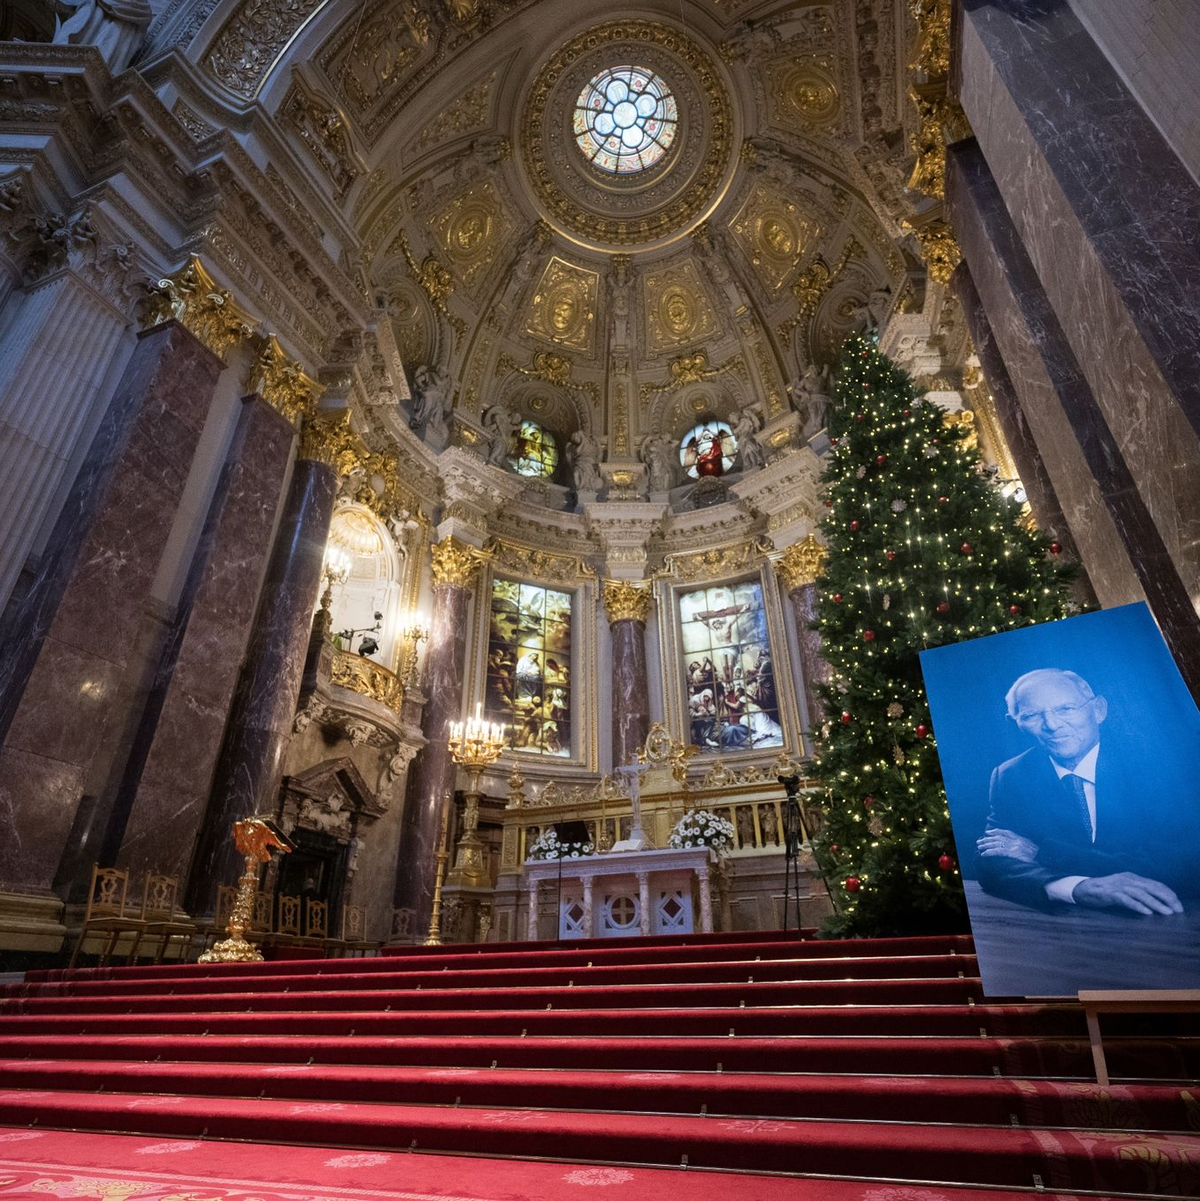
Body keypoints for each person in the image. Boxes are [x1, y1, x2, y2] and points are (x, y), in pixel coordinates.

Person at [976, 668, 1200, 914]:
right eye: (1031, 716)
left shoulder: (1163, 763)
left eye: (1066, 709)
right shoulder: (1010, 776)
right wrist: (1077, 888)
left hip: (1172, 916)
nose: (1051, 725)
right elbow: (992, 863)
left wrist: (1043, 854)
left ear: (1098, 710)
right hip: (1072, 927)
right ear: (1014, 723)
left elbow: (1184, 863)